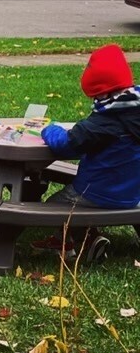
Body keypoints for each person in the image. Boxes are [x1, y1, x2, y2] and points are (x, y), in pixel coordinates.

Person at [37, 44, 140, 262]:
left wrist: (49, 128)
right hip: (134, 193)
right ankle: (89, 237)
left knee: (53, 205)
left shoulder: (102, 121)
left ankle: (78, 243)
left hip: (97, 192)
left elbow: (65, 144)